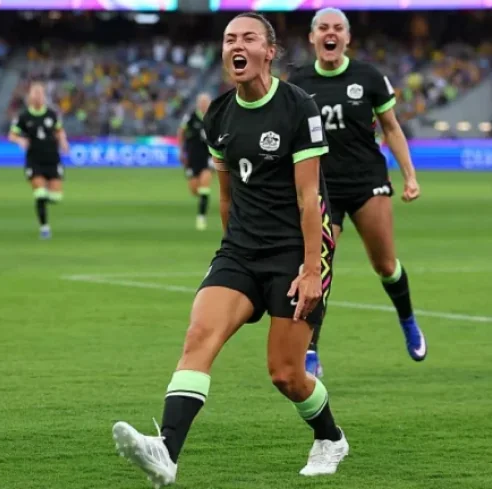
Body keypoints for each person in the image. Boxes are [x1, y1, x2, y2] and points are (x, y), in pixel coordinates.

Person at [112, 13, 348, 487]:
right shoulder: (217, 114)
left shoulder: (299, 107)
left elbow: (310, 200)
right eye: (228, 40)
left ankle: (330, 438)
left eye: (247, 38)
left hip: (293, 254)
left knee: (286, 374)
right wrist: (228, 255)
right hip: (240, 252)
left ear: (269, 51)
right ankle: (167, 453)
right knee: (199, 335)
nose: (235, 46)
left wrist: (309, 271)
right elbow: (225, 196)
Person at [288, 7, 426, 377]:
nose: (329, 34)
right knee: (318, 267)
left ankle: (407, 319)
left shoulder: (368, 77)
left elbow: (392, 129)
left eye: (337, 29)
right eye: (322, 28)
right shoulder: (298, 82)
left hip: (367, 181)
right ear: (312, 37)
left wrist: (409, 176)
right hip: (321, 188)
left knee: (384, 264)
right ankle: (311, 350)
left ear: (347, 38)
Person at [8, 81, 69, 239]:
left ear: (44, 96)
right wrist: (20, 140)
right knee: (40, 193)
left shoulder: (51, 114)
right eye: (35, 94)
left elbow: (59, 130)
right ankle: (44, 227)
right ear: (30, 97)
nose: (38, 97)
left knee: (56, 197)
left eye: (40, 94)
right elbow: (12, 135)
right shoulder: (24, 116)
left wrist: (63, 142)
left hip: (52, 159)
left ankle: (44, 203)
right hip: (34, 160)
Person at [177, 92, 214, 231]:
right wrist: (181, 151)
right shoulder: (190, 117)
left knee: (205, 186)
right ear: (198, 104)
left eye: (206, 102)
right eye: (202, 103)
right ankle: (203, 201)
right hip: (192, 158)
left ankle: (201, 217)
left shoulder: (214, 118)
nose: (204, 105)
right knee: (194, 190)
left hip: (208, 158)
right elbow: (180, 132)